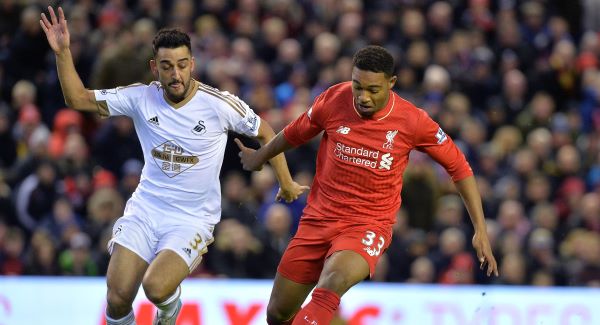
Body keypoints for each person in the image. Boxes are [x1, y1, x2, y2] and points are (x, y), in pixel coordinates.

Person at [40, 6, 308, 325]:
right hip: (146, 207)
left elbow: (265, 131)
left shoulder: (218, 104)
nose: (176, 74)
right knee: (116, 297)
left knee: (155, 287)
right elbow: (78, 99)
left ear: (192, 64)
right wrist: (64, 52)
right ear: (155, 67)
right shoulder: (140, 98)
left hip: (192, 218)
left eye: (182, 65)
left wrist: (286, 182)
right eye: (167, 67)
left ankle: (169, 308)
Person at [236, 45, 499, 325]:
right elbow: (295, 133)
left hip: (368, 224)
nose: (363, 97)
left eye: (373, 90)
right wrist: (260, 157)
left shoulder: (412, 120)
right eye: (357, 86)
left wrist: (480, 229)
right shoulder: (334, 99)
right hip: (318, 219)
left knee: (331, 284)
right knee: (277, 314)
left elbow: (459, 167)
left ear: (391, 83)